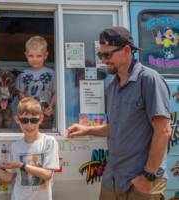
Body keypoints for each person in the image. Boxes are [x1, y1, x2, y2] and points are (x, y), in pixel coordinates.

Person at [67, 27, 171, 200]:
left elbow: (163, 131)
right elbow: (117, 127)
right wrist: (87, 130)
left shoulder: (149, 80)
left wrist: (148, 176)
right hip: (113, 178)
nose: (104, 61)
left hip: (141, 181)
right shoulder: (113, 86)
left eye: (107, 55)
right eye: (101, 56)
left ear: (127, 50)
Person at [0, 97, 59, 200]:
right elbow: (8, 177)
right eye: (24, 120)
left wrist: (20, 165)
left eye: (33, 120)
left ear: (40, 119)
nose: (29, 125)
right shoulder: (16, 146)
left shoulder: (49, 142)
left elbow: (47, 175)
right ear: (17, 120)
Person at [16, 36, 56, 129]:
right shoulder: (23, 74)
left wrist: (51, 106)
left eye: (38, 56)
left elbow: (56, 93)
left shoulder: (51, 73)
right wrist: (27, 107)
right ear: (26, 55)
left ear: (45, 55)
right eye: (31, 56)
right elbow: (20, 93)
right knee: (29, 136)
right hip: (29, 116)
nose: (35, 59)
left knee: (45, 137)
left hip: (46, 115)